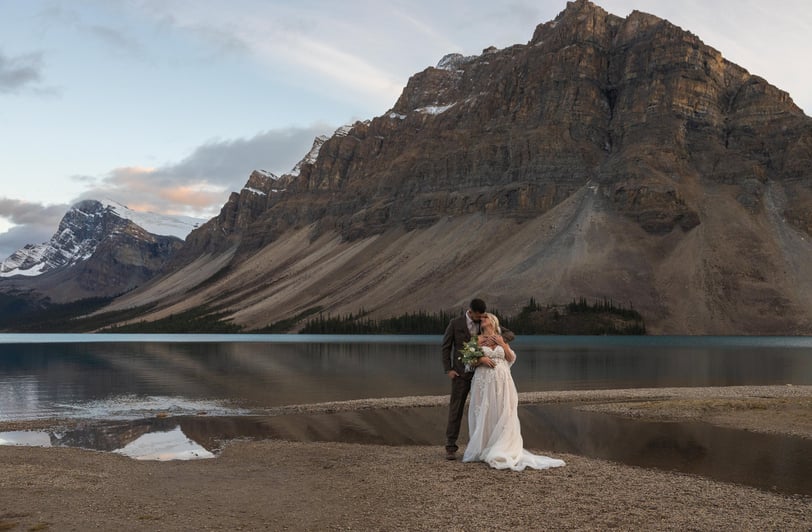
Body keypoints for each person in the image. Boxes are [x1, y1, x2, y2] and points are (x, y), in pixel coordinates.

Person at [462, 312, 566, 471]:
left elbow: (510, 358)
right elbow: (468, 360)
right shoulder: (476, 339)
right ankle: (483, 446)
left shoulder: (500, 338)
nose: (482, 320)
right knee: (484, 411)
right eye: (481, 318)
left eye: (485, 318)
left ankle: (501, 446)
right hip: (483, 381)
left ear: (492, 321)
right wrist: (481, 359)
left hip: (503, 381)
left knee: (503, 411)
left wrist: (502, 345)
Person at [441, 298, 513, 460]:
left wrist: (497, 339)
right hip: (461, 374)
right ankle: (451, 447)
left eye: (482, 316)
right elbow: (446, 347)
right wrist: (448, 369)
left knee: (484, 409)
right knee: (456, 408)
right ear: (470, 311)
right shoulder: (455, 323)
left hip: (483, 376)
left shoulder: (485, 321)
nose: (479, 319)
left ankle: (485, 445)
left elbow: (509, 333)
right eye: (477, 316)